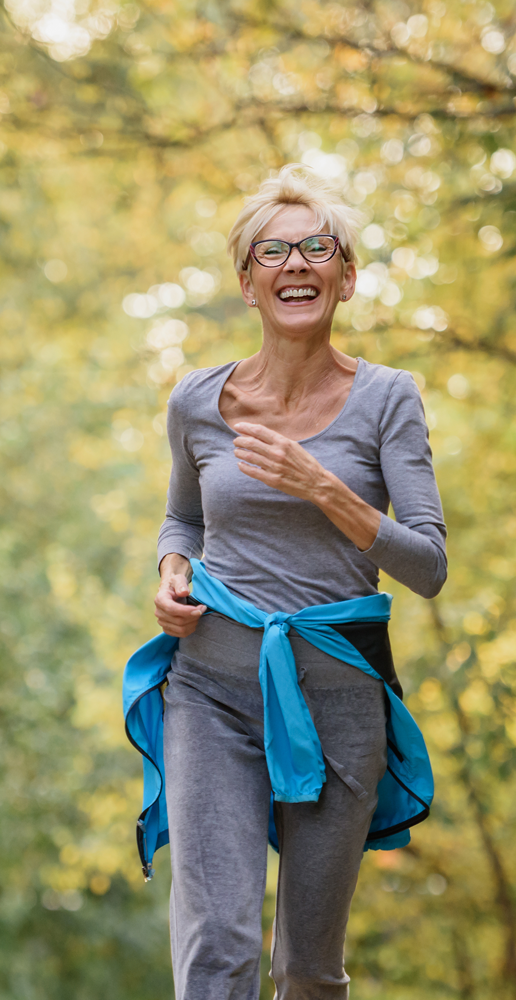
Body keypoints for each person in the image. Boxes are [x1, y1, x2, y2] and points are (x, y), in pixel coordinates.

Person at [124, 163, 447, 1000]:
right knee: (219, 943)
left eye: (317, 248)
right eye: (273, 251)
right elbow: (183, 521)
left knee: (305, 966)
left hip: (338, 698)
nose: (295, 263)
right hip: (211, 689)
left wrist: (324, 489)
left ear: (345, 276)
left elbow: (430, 565)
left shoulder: (387, 399)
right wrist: (170, 572)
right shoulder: (197, 400)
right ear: (246, 281)